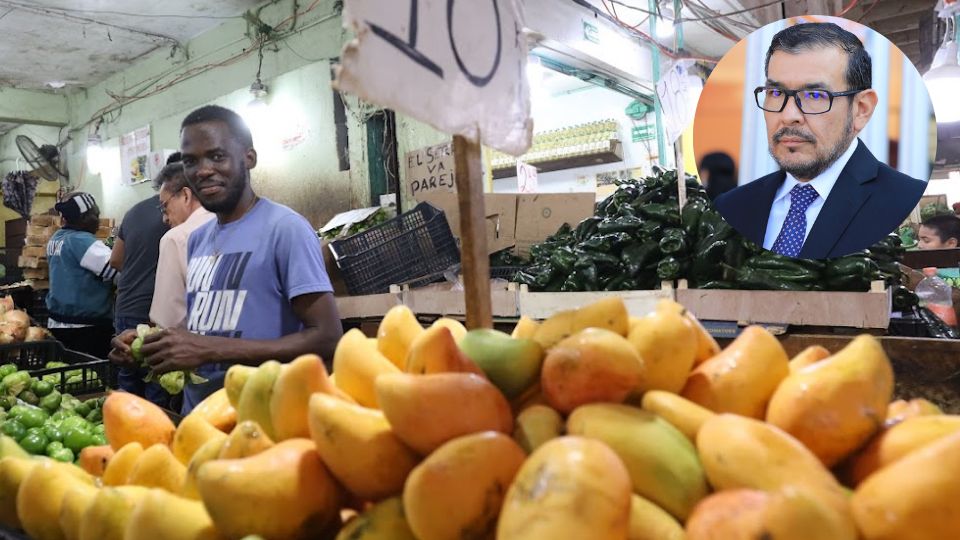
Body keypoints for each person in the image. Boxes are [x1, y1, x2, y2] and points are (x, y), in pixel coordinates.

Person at [108, 105, 343, 414]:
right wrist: (148, 344)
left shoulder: (285, 229)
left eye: (217, 156)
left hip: (264, 419)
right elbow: (209, 329)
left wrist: (210, 350)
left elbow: (327, 338)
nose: (203, 170)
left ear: (249, 157)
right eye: (191, 161)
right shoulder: (198, 239)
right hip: (203, 417)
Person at [714, 22, 926, 259]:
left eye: (815, 95)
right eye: (776, 93)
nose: (788, 116)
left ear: (861, 109)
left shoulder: (903, 201)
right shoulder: (733, 206)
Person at [108, 156, 172, 406]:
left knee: (128, 383)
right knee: (157, 386)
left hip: (125, 308)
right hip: (152, 314)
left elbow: (115, 260)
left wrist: (139, 273)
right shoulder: (177, 216)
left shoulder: (134, 211)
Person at [45, 192, 116, 359]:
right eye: (96, 215)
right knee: (93, 376)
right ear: (87, 218)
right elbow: (116, 268)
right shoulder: (81, 241)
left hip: (58, 322)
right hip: (85, 327)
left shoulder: (57, 238)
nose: (98, 221)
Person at [149, 161, 214, 328]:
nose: (165, 218)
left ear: (186, 195)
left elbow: (168, 321)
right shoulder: (232, 225)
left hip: (196, 347)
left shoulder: (175, 238)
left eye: (165, 207)